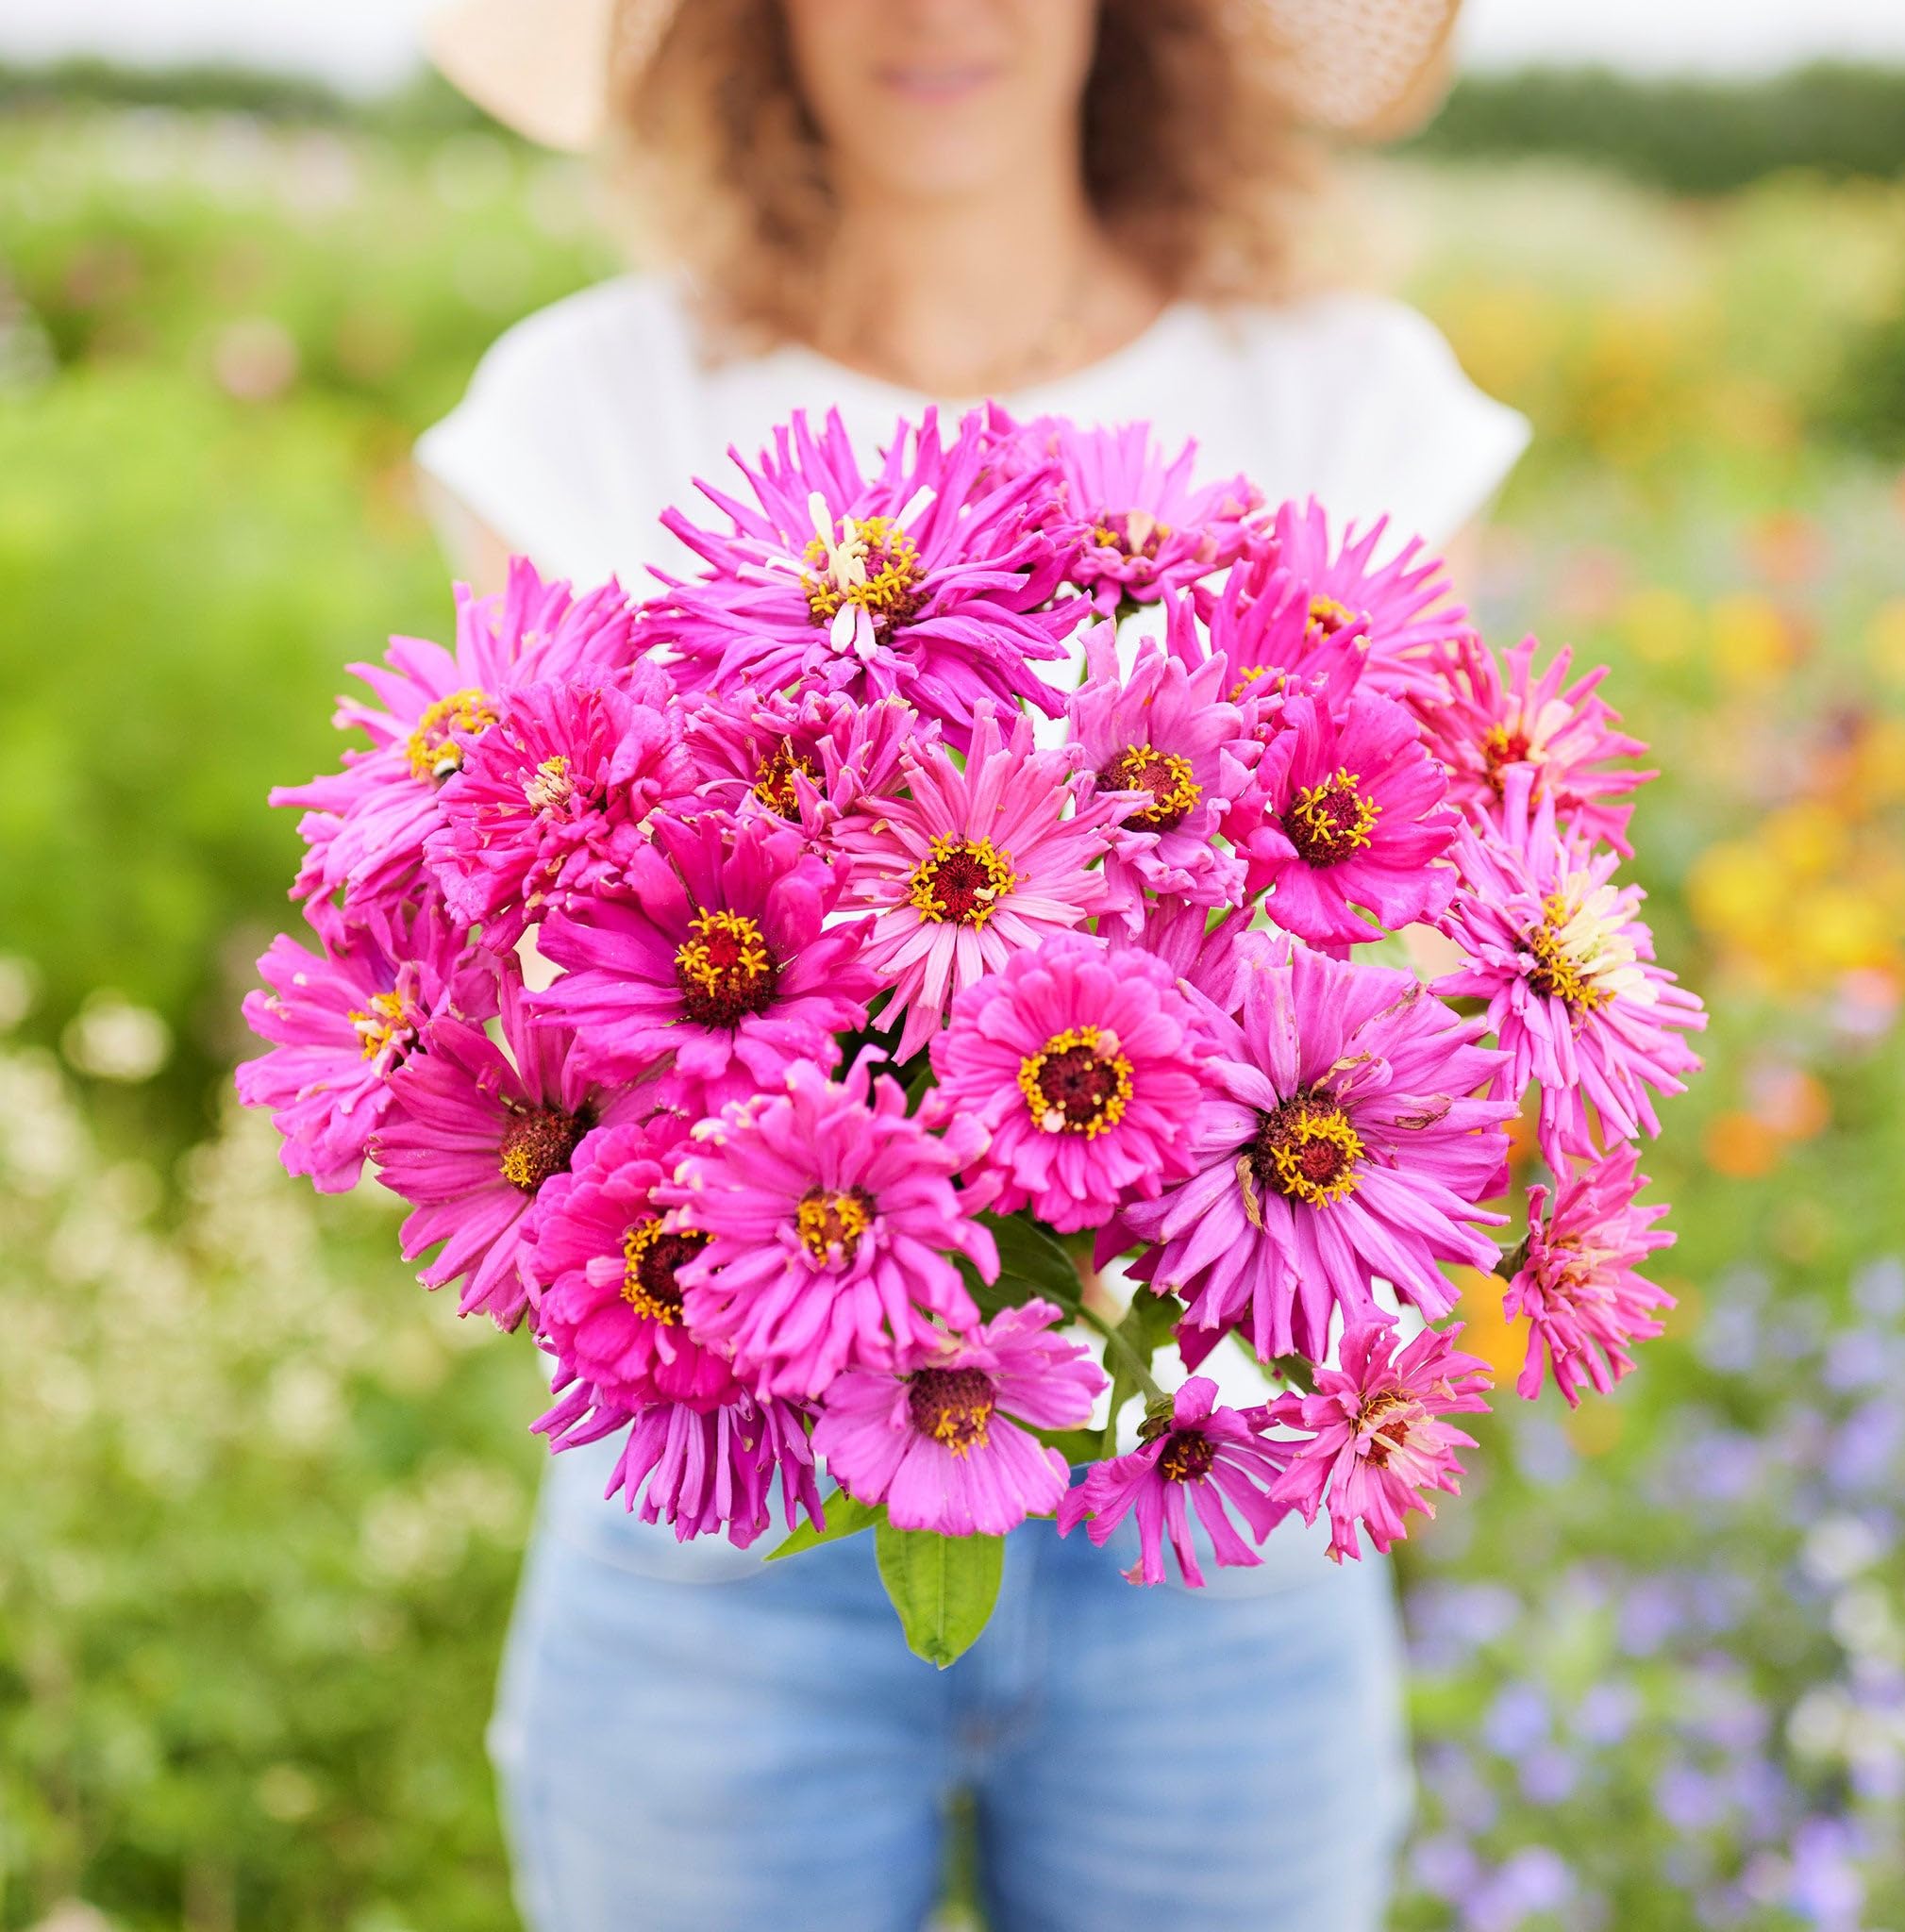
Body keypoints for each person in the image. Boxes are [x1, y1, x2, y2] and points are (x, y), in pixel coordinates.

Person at [414, 4, 1529, 1928]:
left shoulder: (1343, 390)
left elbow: (1408, 907)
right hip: (728, 1485)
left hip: (1214, 1487)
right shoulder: (583, 400)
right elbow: (522, 926)